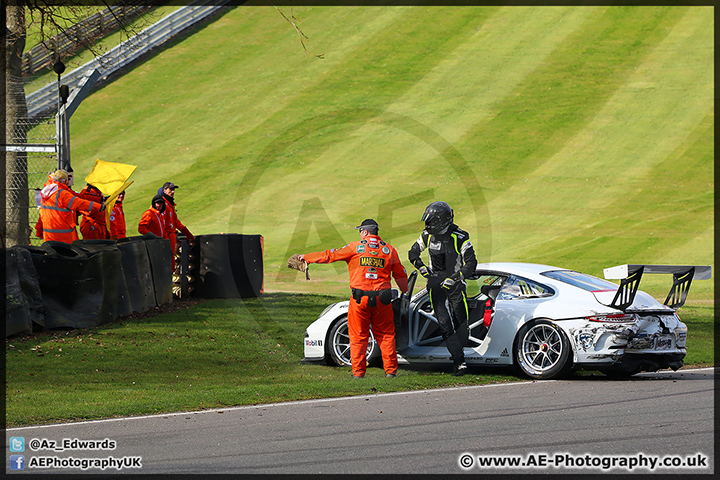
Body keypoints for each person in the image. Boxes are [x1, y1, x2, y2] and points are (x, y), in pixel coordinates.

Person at [297, 219, 408, 378]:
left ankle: (358, 373)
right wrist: (404, 290)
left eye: (360, 231)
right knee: (386, 336)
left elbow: (330, 255)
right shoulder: (389, 250)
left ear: (365, 232)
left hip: (359, 300)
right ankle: (390, 371)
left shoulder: (355, 247)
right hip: (382, 301)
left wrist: (307, 257)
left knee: (358, 337)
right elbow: (400, 275)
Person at [408, 201, 477, 376]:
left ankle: (463, 352)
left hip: (456, 285)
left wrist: (456, 277)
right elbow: (413, 253)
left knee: (461, 326)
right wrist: (421, 267)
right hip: (435, 286)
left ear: (442, 221)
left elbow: (471, 263)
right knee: (445, 325)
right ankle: (459, 362)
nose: (427, 226)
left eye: (431, 222)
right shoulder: (426, 235)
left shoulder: (460, 237)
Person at [37, 169, 105, 244]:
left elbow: (42, 216)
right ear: (65, 181)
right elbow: (79, 203)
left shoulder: (46, 193)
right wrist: (98, 206)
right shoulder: (62, 194)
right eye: (68, 179)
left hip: (49, 237)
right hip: (63, 237)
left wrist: (40, 232)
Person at [158, 182, 194, 269]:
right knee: (166, 263)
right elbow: (158, 222)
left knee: (171, 263)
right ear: (164, 190)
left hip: (171, 237)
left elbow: (176, 222)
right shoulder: (161, 204)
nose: (173, 192)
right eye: (170, 189)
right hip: (165, 238)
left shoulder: (170, 204)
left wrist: (187, 233)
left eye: (173, 189)